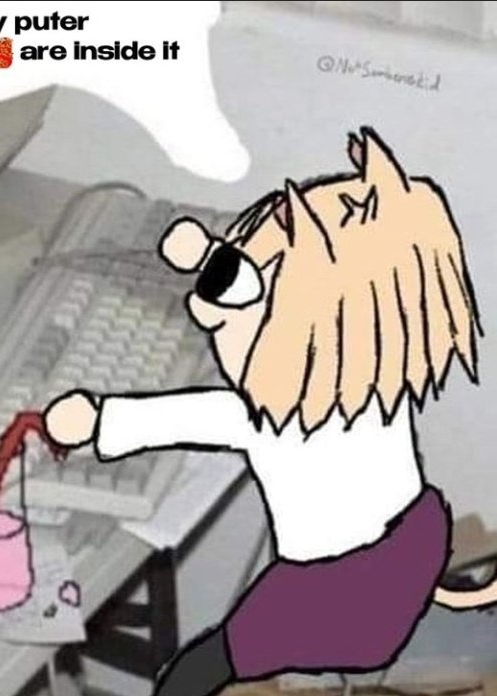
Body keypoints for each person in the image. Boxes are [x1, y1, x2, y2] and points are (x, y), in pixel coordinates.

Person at [45, 128, 490, 696]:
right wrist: (207, 258)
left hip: (334, 593)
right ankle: (443, 619)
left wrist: (95, 420)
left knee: (194, 670)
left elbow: (193, 414)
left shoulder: (270, 417)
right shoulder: (372, 365)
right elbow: (264, 291)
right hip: (413, 542)